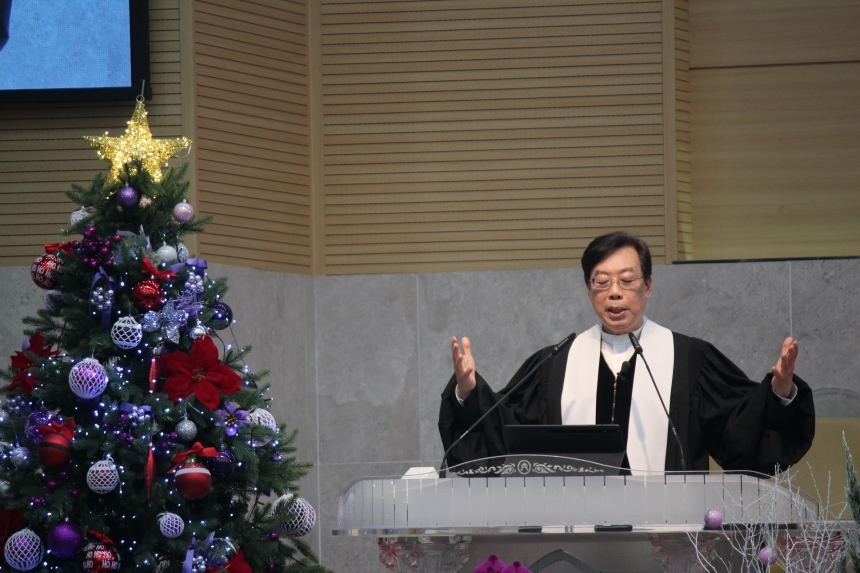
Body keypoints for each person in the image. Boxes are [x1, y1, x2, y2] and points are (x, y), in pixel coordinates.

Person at [438, 231, 815, 475]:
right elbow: (501, 435)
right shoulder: (555, 365)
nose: (614, 292)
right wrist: (467, 393)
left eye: (627, 280)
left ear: (648, 286)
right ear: (588, 290)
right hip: (575, 531)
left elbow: (741, 433)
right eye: (601, 282)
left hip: (667, 535)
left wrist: (779, 395)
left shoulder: (689, 361)